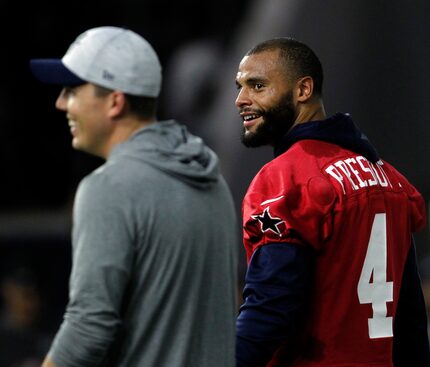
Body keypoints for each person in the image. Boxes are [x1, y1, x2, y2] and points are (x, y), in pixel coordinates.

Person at [29, 26, 239, 367]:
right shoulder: (211, 179)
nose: (61, 102)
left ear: (115, 101)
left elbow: (87, 330)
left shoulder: (108, 187)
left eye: (72, 90)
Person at [234, 37, 430, 366]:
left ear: (303, 90)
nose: (241, 99)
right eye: (239, 87)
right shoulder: (393, 181)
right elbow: (410, 321)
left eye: (257, 86)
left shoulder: (287, 178)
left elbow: (269, 310)